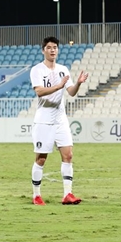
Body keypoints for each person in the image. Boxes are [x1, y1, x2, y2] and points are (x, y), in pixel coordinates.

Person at [30, 36, 89, 205]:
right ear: (43, 50)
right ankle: (36, 195)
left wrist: (77, 83)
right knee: (41, 158)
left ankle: (67, 194)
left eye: (55, 47)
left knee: (68, 155)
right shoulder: (37, 70)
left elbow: (70, 92)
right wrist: (58, 86)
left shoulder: (63, 69)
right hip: (44, 120)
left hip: (61, 119)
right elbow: (39, 92)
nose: (52, 50)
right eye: (49, 47)